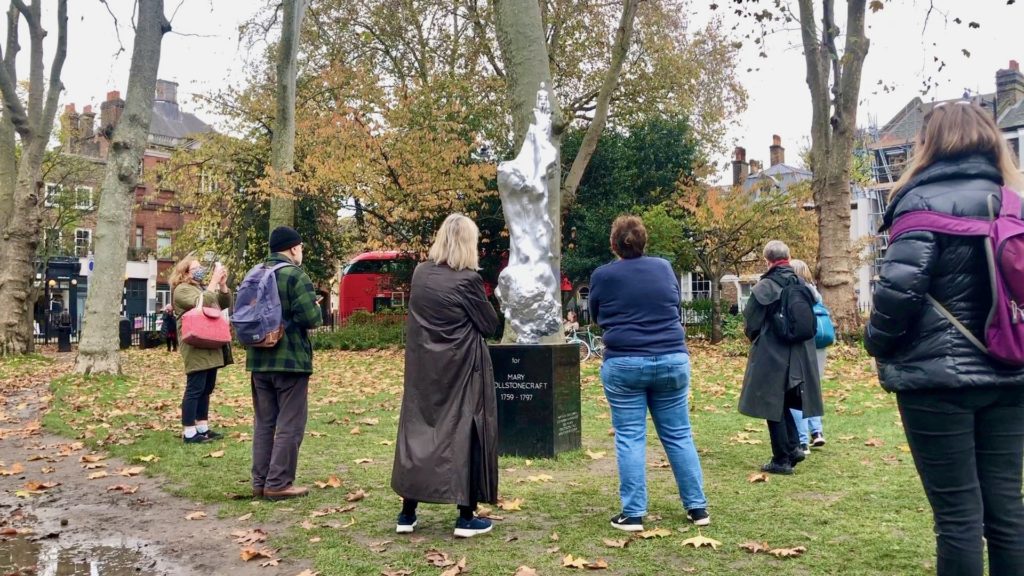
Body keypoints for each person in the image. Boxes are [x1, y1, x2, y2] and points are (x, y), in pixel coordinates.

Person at [865, 101, 1024, 576]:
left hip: (937, 382)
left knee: (957, 518)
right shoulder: (1014, 203)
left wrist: (877, 343)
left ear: (928, 144)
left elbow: (898, 293)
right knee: (1008, 515)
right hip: (1011, 372)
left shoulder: (918, 202)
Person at [589, 215, 710, 532]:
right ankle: (697, 507)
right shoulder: (663, 268)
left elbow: (596, 315)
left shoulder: (603, 275)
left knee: (630, 437)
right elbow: (673, 303)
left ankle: (634, 513)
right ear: (644, 242)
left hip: (625, 361)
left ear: (614, 244)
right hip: (671, 357)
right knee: (679, 434)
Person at [391, 213, 499, 538]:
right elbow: (489, 325)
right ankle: (466, 515)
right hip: (461, 367)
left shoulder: (420, 273)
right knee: (466, 432)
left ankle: (407, 513)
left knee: (418, 431)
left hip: (424, 367)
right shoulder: (466, 279)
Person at [247, 226, 323, 501]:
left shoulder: (254, 274)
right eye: (300, 247)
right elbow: (311, 319)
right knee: (290, 423)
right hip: (290, 360)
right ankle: (278, 483)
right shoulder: (295, 275)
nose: (301, 252)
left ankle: (260, 482)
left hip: (258, 359)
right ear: (293, 248)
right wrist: (315, 306)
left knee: (265, 423)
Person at [738, 240, 823, 475]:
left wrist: (757, 338)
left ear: (767, 259)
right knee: (783, 401)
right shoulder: (801, 283)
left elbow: (751, 322)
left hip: (772, 353)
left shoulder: (766, 285)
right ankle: (794, 447)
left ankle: (781, 459)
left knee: (771, 403)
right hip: (800, 353)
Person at [169, 254, 232, 444]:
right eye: (195, 267)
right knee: (195, 388)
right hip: (195, 343)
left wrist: (222, 285)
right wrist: (212, 283)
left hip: (210, 341)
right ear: (185, 272)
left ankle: (202, 427)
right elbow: (201, 303)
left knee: (206, 388)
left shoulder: (201, 288)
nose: (200, 270)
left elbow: (223, 304)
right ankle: (189, 432)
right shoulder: (181, 290)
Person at [787, 259, 826, 454]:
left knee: (796, 391)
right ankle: (817, 432)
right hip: (817, 346)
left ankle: (802, 441)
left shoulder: (795, 293)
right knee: (813, 389)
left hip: (801, 347)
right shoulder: (814, 293)